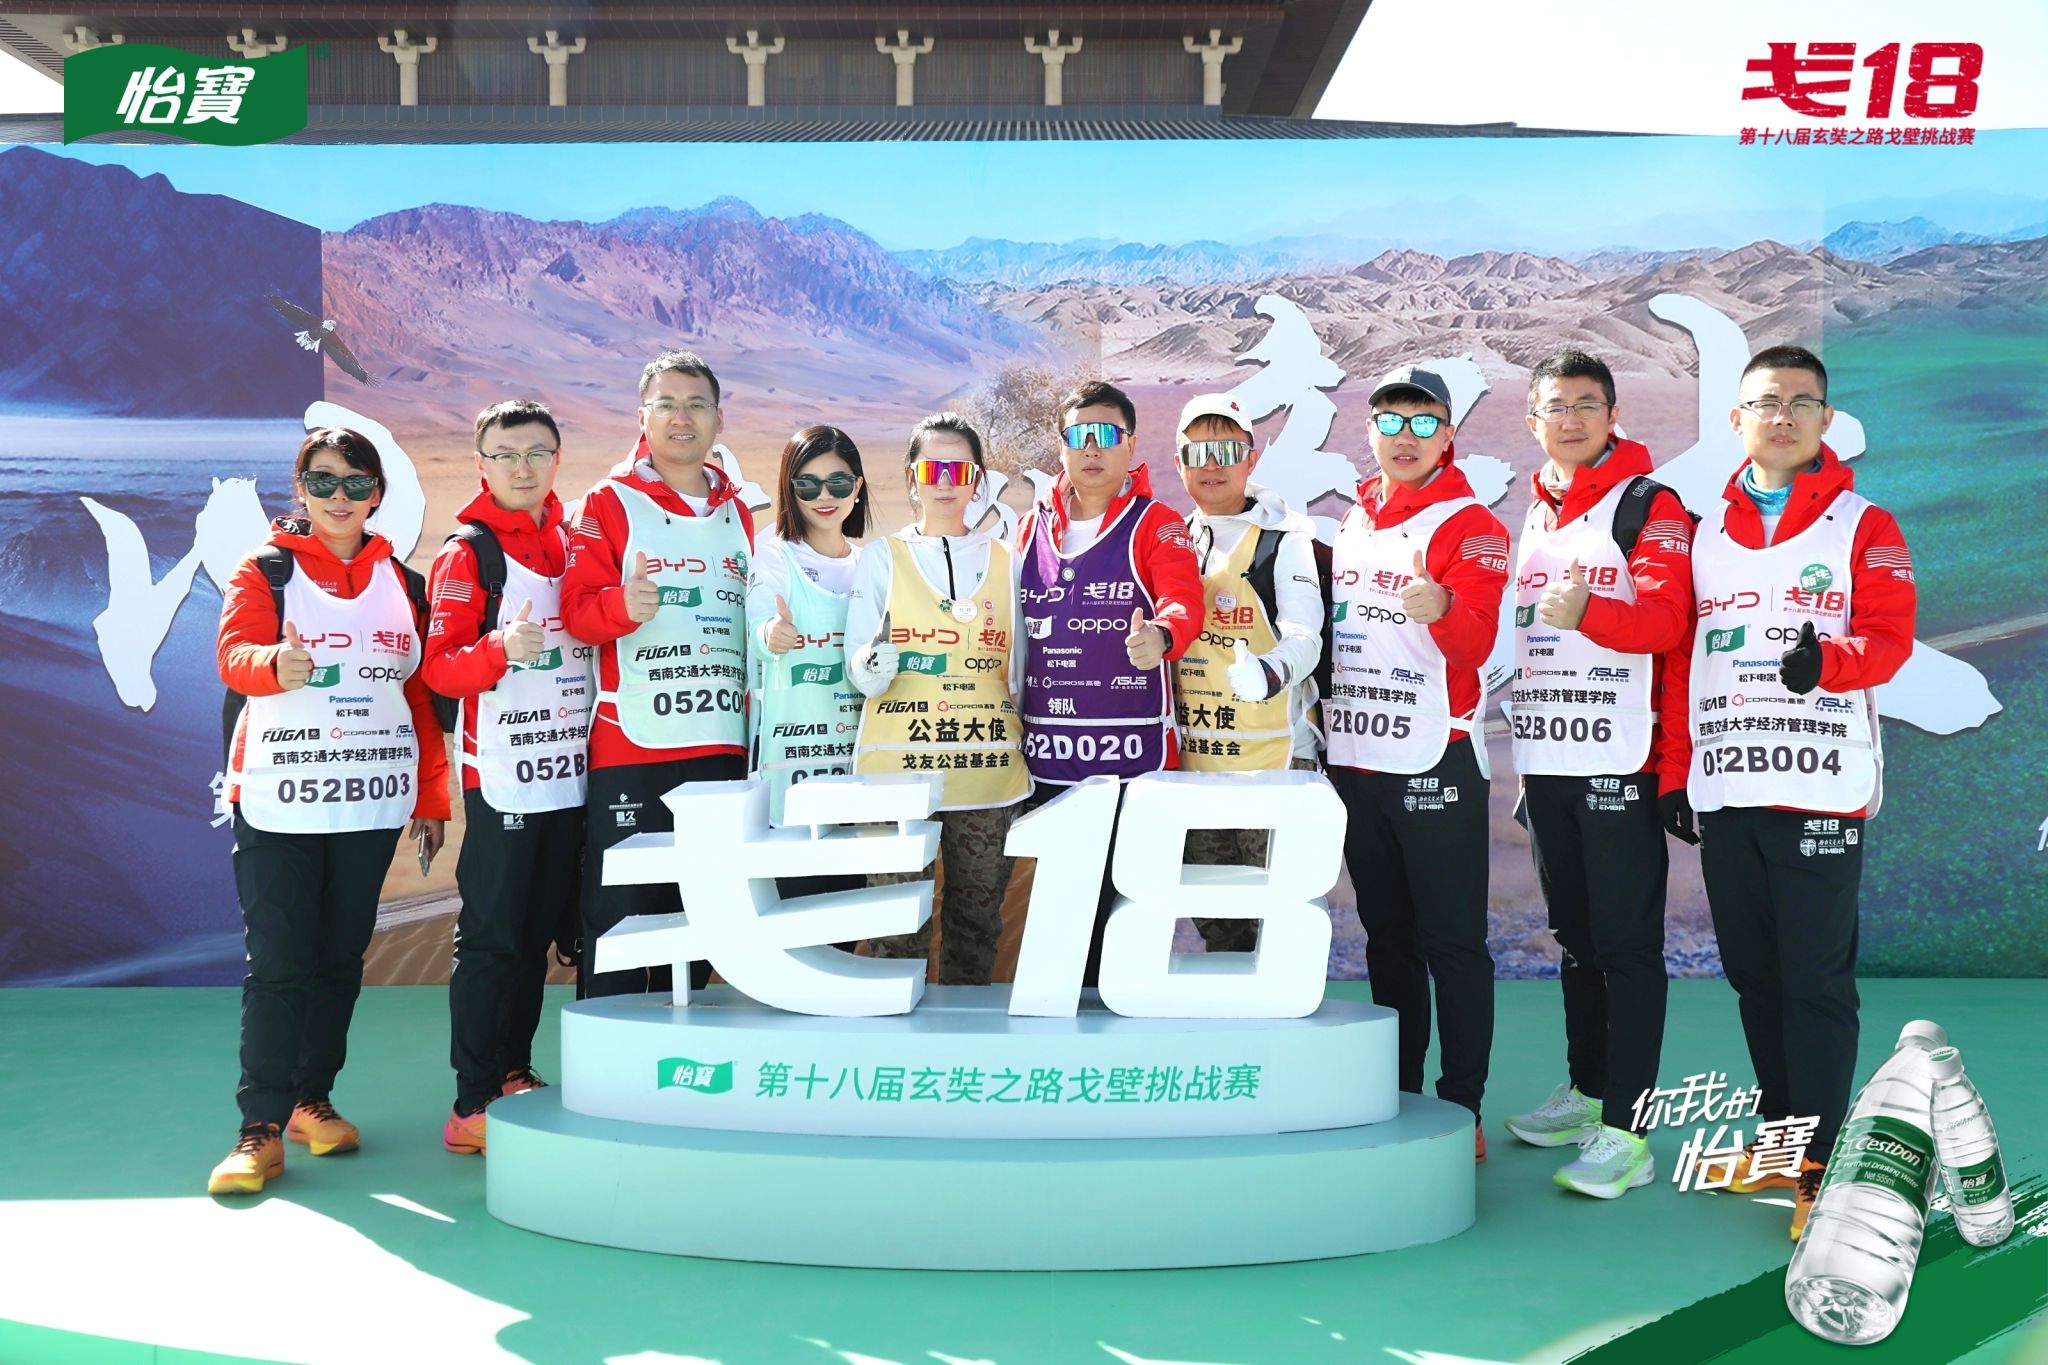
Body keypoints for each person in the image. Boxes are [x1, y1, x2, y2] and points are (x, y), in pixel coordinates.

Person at [1657, 344, 1916, 1240]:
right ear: (1738, 419)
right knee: (1756, 978)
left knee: (1814, 983)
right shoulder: (1705, 532)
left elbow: (1889, 639)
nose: (1784, 416)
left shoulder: (1863, 523)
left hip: (1820, 787)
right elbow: (1684, 662)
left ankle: (1824, 1168)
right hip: (1729, 786)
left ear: (1825, 420)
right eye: (1767, 401)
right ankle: (1780, 1145)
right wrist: (1675, 772)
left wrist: (1827, 663)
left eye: (1802, 402)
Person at [208, 427, 450, 1194]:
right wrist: (272, 663)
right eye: (322, 481)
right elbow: (233, 657)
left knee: (341, 957)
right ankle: (259, 1125)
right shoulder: (266, 570)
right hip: (280, 800)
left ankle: (312, 1099)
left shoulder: (404, 583)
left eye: (354, 482)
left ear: (377, 493)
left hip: (368, 802)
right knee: (280, 961)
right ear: (300, 488)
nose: (338, 496)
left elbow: (419, 697)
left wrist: (432, 797)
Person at [1497, 350, 1695, 1199]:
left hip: (1620, 762)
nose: (1571, 418)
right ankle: (1586, 1090)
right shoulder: (1536, 511)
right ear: (1533, 421)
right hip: (1549, 762)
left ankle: (1629, 1128)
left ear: (1614, 415)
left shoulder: (1649, 505)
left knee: (1626, 948)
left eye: (1588, 403)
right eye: (1556, 405)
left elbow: (1666, 620)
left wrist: (1591, 613)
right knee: (1575, 939)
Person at [1324, 365, 1507, 1163]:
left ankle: (1461, 1106)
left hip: (1437, 761)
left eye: (1423, 421)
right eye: (1390, 421)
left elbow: (1478, 643)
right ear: (1369, 432)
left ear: (1448, 435)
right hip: (1358, 760)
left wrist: (1446, 610)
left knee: (1453, 944)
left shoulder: (1472, 524)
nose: (1406, 436)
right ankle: (1397, 1095)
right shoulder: (1354, 517)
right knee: (1386, 940)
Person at [422, 399, 590, 1155]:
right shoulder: (469, 555)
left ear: (556, 459)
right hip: (505, 778)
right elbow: (438, 668)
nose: (522, 468)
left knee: (535, 938)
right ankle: (472, 1099)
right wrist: (497, 649)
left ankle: (513, 1071)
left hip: (572, 777)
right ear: (481, 464)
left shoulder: (574, 541)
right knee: (493, 938)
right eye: (505, 454)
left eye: (536, 453)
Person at [561, 351, 756, 998]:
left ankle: (686, 1049)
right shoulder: (609, 500)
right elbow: (577, 614)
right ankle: (608, 1053)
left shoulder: (738, 511)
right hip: (635, 743)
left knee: (699, 915)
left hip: (721, 746)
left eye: (697, 404)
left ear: (719, 419)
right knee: (621, 917)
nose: (682, 417)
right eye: (666, 404)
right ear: (642, 416)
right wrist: (622, 606)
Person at [1013, 380, 1204, 988]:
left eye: (1106, 435)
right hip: (1048, 764)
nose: (1091, 448)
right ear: (1061, 447)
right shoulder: (1029, 529)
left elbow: (1182, 599)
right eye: (1078, 436)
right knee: (1060, 927)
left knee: (1126, 927)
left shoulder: (1157, 523)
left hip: (1131, 767)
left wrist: (1163, 637)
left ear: (1131, 445)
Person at [848, 413, 1028, 983]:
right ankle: (893, 1036)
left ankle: (965, 1035)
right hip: (899, 775)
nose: (946, 482)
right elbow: (859, 668)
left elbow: (1021, 671)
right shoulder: (883, 556)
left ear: (978, 479)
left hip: (985, 775)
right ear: (911, 478)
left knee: (977, 925)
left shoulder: (1007, 560)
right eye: (932, 469)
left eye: (960, 470)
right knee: (896, 926)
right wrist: (871, 664)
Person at [1169, 392, 1326, 952]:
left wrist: (1269, 672)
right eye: (1198, 451)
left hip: (1273, 765)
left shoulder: (1285, 539)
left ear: (1251, 459)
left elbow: (1306, 636)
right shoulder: (1172, 539)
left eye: (1228, 450)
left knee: (1279, 924)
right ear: (1178, 462)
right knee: (1217, 923)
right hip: (1195, 769)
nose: (1212, 464)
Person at [748, 425, 870, 903]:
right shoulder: (776, 555)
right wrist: (770, 635)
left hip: (858, 767)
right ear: (789, 488)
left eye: (838, 483)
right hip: (792, 767)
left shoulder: (872, 564)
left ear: (857, 488)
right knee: (797, 907)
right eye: (808, 484)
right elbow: (759, 620)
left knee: (849, 907)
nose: (824, 497)